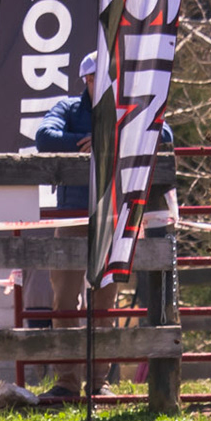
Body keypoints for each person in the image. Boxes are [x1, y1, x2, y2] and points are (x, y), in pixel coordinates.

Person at [34, 52, 173, 400]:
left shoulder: (131, 107)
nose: (108, 83)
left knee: (104, 304)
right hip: (72, 215)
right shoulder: (68, 108)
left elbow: (165, 133)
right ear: (88, 81)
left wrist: (110, 138)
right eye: (99, 78)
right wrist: (95, 140)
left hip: (113, 215)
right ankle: (67, 382)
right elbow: (44, 137)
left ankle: (99, 382)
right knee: (64, 300)